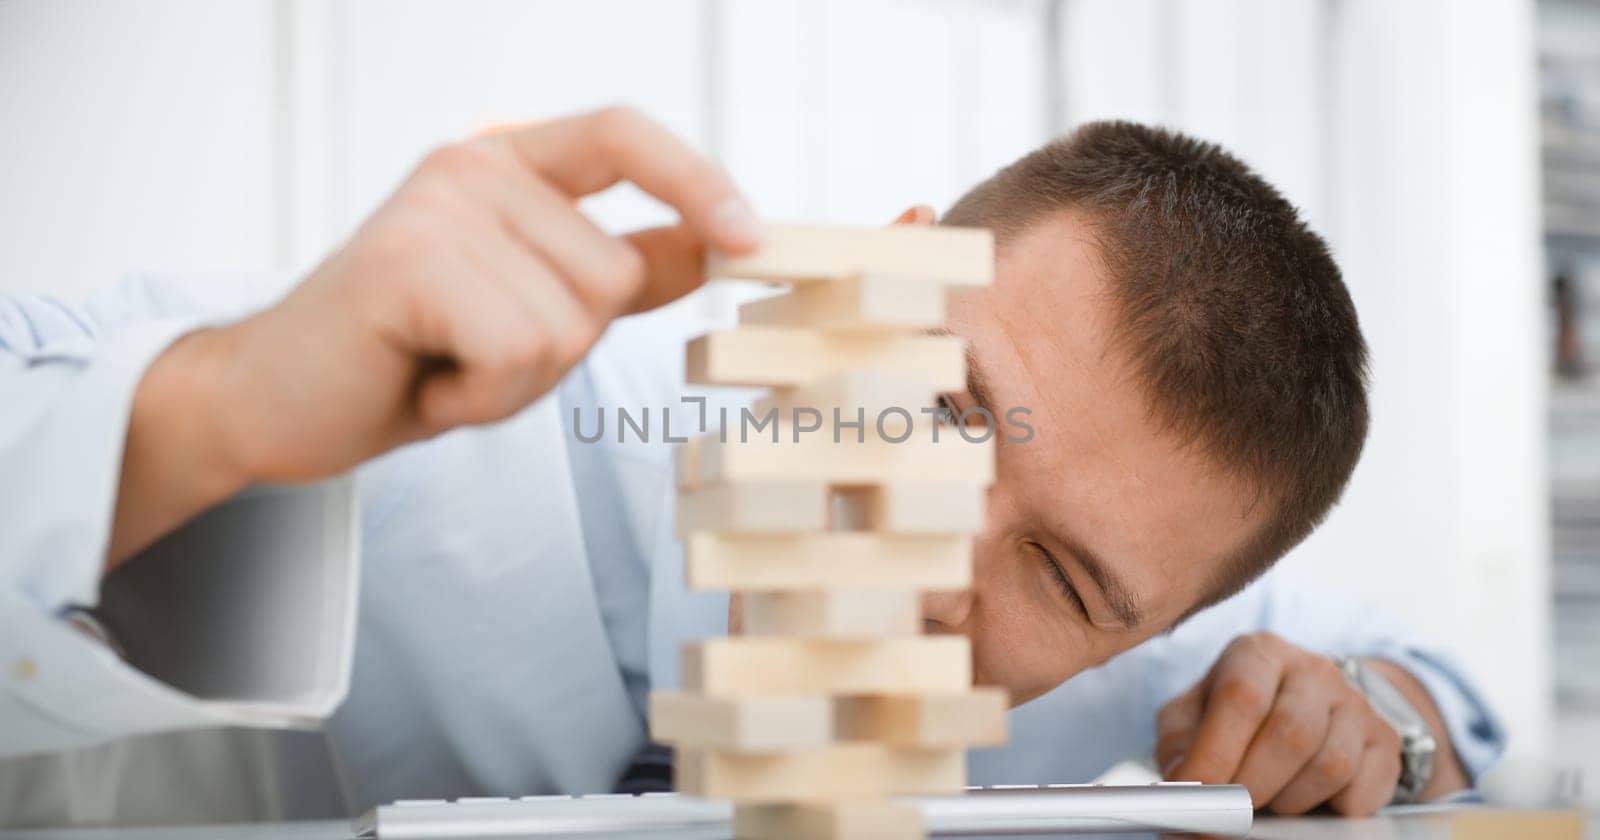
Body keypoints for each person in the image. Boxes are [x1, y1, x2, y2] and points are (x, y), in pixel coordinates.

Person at [0, 108, 1503, 824]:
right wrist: (210, 412)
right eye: (955, 403)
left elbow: (1426, 679)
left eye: (1061, 577)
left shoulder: (1156, 648)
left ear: (1152, 627)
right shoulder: (431, 413)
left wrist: (1387, 719)